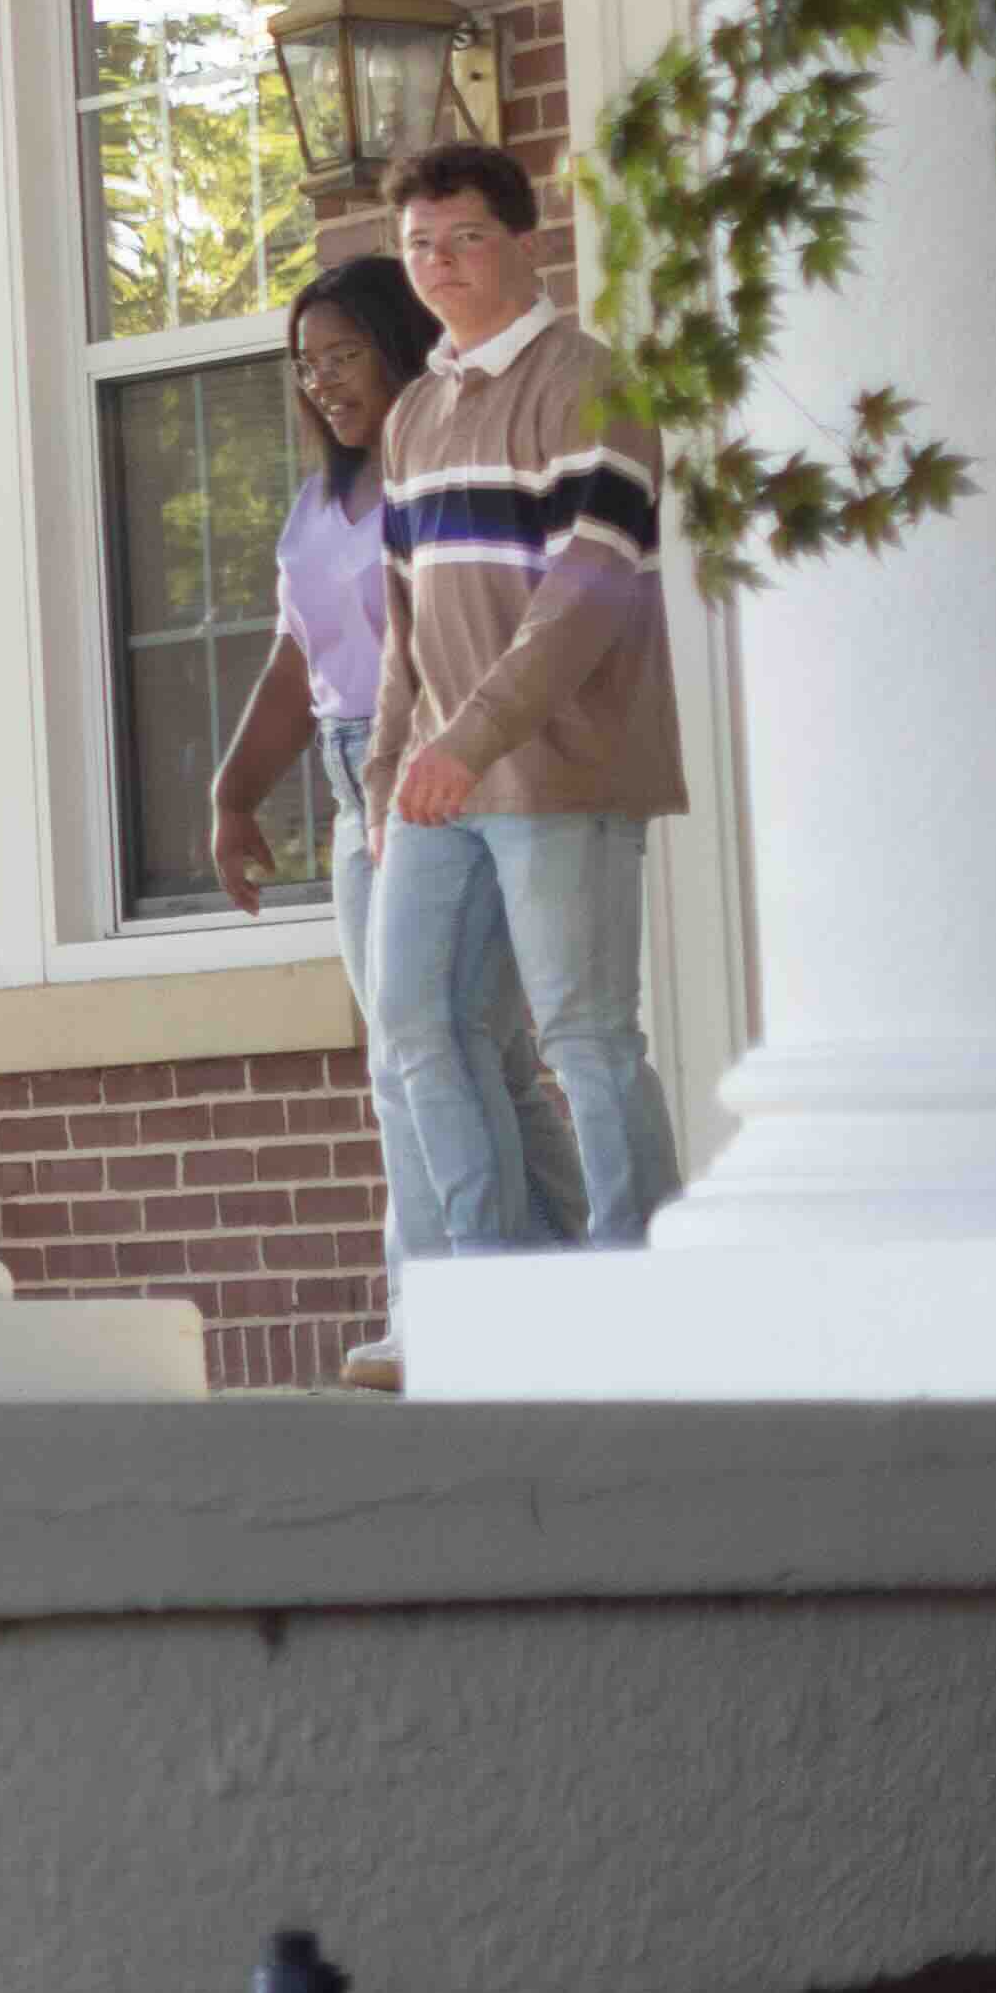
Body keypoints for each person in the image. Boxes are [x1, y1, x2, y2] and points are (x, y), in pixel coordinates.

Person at [365, 144, 689, 1253]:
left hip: (561, 767)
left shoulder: (590, 383)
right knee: (416, 1024)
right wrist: (388, 772)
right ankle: (485, 1278)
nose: (439, 262)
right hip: (434, 782)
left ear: (523, 242)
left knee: (585, 1033)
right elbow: (402, 623)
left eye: (465, 237)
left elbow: (587, 590)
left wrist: (470, 737)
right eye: (419, 244)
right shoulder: (413, 414)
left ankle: (636, 1272)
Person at [209, 252, 505, 1327]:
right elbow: (298, 658)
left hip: (430, 772)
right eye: (306, 363)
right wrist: (234, 793)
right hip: (349, 788)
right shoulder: (317, 502)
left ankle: (460, 1305)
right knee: (434, 1051)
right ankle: (527, 1280)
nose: (321, 380)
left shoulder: (442, 476)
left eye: (342, 355)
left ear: (397, 346)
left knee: (425, 1044)